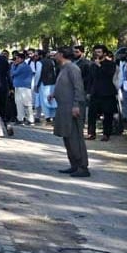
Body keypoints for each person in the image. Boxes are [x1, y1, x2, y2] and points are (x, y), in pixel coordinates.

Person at [50, 47, 89, 177]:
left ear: (61, 55)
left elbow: (79, 87)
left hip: (72, 108)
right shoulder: (63, 68)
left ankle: (82, 167)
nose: (54, 56)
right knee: (67, 137)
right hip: (63, 107)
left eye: (56, 54)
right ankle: (74, 165)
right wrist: (54, 94)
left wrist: (76, 105)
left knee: (75, 137)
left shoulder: (73, 68)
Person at [87, 44, 119, 141]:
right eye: (95, 52)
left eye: (99, 52)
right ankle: (91, 133)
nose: (97, 54)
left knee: (107, 115)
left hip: (107, 93)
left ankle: (106, 134)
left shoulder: (111, 64)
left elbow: (109, 75)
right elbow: (91, 79)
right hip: (95, 93)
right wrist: (89, 91)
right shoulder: (92, 65)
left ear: (104, 53)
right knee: (91, 114)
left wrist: (100, 65)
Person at [10, 51, 36, 125]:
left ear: (22, 59)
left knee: (27, 103)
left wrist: (13, 66)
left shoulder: (22, 66)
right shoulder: (21, 66)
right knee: (19, 103)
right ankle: (20, 118)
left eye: (17, 58)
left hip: (24, 87)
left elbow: (13, 73)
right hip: (19, 86)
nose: (16, 60)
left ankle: (30, 119)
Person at [38, 49, 58, 126]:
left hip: (44, 83)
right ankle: (54, 116)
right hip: (52, 82)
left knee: (44, 101)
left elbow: (38, 74)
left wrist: (36, 84)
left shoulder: (40, 62)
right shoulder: (52, 62)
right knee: (52, 100)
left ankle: (47, 117)